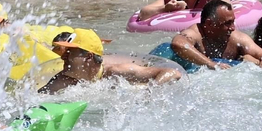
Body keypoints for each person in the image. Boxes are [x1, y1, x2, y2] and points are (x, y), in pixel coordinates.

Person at [38, 29, 179, 92]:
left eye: (69, 53)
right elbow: (37, 98)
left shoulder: (116, 73)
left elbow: (172, 73)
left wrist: (149, 93)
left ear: (88, 57)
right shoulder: (64, 80)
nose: (63, 57)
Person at [170, 0, 262, 71]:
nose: (233, 28)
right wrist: (211, 64)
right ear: (209, 23)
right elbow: (178, 44)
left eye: (233, 21)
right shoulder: (195, 33)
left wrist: (260, 73)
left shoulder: (237, 38)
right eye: (227, 23)